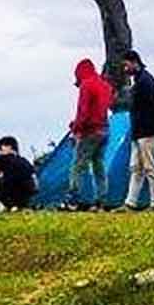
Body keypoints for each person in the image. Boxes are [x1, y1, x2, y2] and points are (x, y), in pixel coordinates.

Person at [61, 58, 115, 212]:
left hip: (89, 132)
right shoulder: (105, 86)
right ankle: (100, 201)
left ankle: (72, 200)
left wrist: (75, 128)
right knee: (99, 166)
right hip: (105, 130)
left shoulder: (86, 85)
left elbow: (83, 111)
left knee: (77, 166)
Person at [119, 49, 154, 211]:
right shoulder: (139, 81)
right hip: (138, 131)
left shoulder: (146, 82)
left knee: (150, 168)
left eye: (126, 65)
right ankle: (130, 203)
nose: (125, 69)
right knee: (136, 168)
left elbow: (153, 108)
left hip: (147, 131)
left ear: (134, 63)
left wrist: (150, 129)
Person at [0, 136, 37, 211]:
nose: (0, 151)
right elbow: (34, 178)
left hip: (11, 189)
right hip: (27, 190)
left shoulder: (1, 158)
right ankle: (22, 205)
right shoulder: (24, 160)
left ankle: (10, 206)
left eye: (1, 148)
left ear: (9, 147)